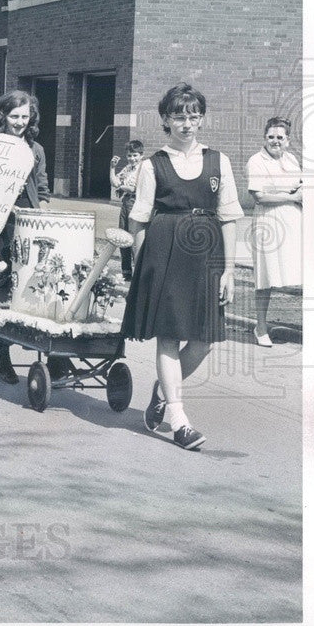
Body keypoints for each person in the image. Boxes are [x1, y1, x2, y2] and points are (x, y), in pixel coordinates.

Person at [122, 83, 243, 450]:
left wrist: (229, 270)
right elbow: (139, 220)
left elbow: (229, 217)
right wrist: (143, 270)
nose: (187, 123)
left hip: (206, 257)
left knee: (204, 340)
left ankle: (163, 390)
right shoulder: (151, 165)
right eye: (179, 116)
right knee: (170, 337)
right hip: (164, 255)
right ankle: (179, 419)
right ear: (165, 120)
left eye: (193, 116)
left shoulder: (218, 161)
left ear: (202, 119)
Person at [0, 90, 50, 383]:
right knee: (0, 289)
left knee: (32, 285)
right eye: (14, 116)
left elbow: (42, 189)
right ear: (2, 116)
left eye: (25, 117)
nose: (20, 122)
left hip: (27, 224)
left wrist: (40, 214)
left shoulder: (36, 149)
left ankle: (47, 351)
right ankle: (2, 357)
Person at [246, 117, 302, 347]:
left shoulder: (292, 159)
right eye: (271, 137)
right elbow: (259, 196)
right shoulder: (256, 161)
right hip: (268, 223)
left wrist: (299, 197)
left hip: (294, 222)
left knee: (299, 275)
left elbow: (300, 187)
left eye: (280, 137)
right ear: (265, 138)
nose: (275, 141)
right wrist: (290, 197)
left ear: (288, 140)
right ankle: (260, 327)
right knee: (265, 278)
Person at [110, 140, 145, 281]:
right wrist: (112, 167)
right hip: (126, 202)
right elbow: (115, 183)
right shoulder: (128, 168)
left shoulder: (142, 168)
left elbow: (133, 188)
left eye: (135, 155)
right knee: (122, 236)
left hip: (136, 202)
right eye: (130, 156)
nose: (132, 159)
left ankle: (138, 273)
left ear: (141, 155)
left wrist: (121, 187)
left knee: (134, 238)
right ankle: (126, 273)